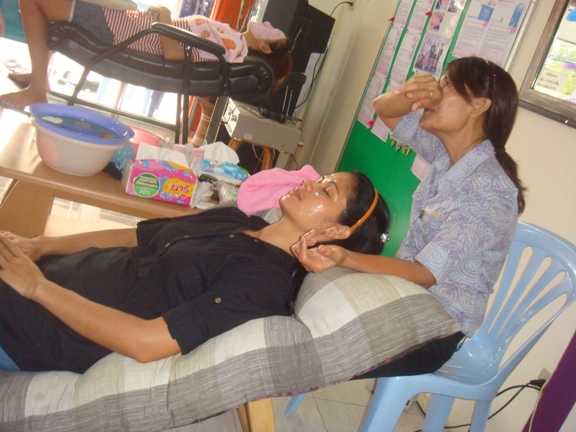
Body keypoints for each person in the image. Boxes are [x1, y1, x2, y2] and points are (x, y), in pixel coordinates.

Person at [0, 171, 391, 373]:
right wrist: (41, 245)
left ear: (337, 231)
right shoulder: (239, 219)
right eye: (320, 179)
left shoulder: (262, 284)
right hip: (45, 274)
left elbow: (145, 343)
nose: (309, 183)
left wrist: (37, 289)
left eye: (326, 191)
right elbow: (135, 237)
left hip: (38, 326)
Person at [293, 56, 526, 378]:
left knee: (312, 345)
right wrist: (411, 93)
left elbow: (425, 274)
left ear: (478, 105)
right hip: (406, 294)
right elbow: (384, 109)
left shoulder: (489, 190)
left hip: (436, 327)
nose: (434, 95)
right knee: (304, 296)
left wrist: (346, 257)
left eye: (447, 87)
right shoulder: (446, 155)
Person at [0, 1, 292, 109]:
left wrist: (163, 14)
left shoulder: (228, 50)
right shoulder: (231, 40)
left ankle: (38, 86)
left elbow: (174, 53)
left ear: (266, 48)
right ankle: (39, 76)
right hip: (128, 23)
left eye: (272, 32)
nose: (268, 24)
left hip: (119, 32)